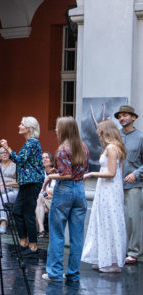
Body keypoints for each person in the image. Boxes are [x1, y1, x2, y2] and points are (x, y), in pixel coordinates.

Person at [41, 116, 89, 282]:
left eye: (57, 127)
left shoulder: (62, 149)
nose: (55, 130)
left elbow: (67, 175)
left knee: (57, 234)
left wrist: (50, 176)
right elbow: (76, 170)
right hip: (80, 191)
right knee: (77, 236)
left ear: (64, 130)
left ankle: (54, 273)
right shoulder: (84, 147)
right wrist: (58, 169)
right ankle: (73, 273)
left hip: (64, 192)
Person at [82, 119, 127, 272]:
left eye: (100, 132)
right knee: (104, 222)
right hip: (107, 189)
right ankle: (105, 258)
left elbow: (112, 173)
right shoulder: (113, 147)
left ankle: (112, 262)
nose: (98, 135)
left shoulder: (112, 148)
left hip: (109, 190)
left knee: (110, 222)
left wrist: (92, 173)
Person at [0, 117, 44, 257]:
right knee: (17, 211)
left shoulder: (32, 142)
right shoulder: (29, 143)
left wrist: (7, 147)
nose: (19, 126)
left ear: (29, 128)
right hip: (26, 182)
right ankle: (24, 242)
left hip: (32, 182)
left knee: (27, 212)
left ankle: (32, 246)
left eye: (22, 124)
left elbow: (19, 160)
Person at [115, 105, 143, 264]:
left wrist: (136, 174)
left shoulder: (140, 137)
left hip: (134, 185)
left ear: (133, 117)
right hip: (115, 185)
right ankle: (120, 250)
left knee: (133, 218)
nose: (122, 118)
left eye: (125, 115)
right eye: (119, 116)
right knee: (119, 218)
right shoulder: (115, 137)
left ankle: (133, 252)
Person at [35, 151, 56, 238]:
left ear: (51, 160)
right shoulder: (40, 174)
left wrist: (52, 194)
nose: (45, 159)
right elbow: (39, 189)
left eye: (47, 157)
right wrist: (46, 193)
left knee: (39, 205)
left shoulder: (56, 172)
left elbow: (60, 189)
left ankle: (41, 230)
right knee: (39, 199)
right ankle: (42, 229)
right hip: (44, 199)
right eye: (43, 158)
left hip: (55, 200)